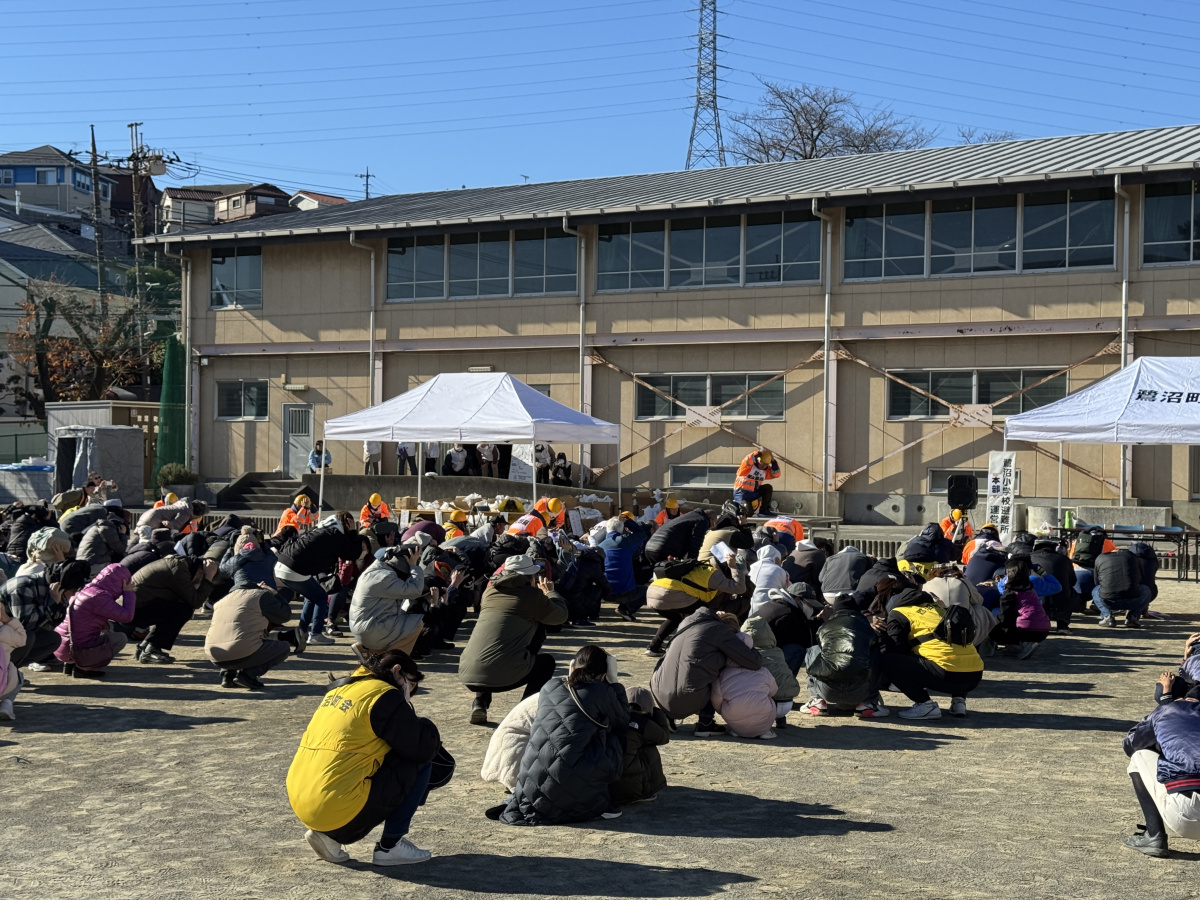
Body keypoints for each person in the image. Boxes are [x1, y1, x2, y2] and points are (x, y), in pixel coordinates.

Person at [287, 649, 447, 866]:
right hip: (339, 807)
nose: (408, 692)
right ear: (397, 671)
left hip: (303, 801)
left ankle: (328, 836)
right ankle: (391, 846)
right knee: (418, 761)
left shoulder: (341, 690)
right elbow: (420, 749)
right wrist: (423, 723)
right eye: (410, 685)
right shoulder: (384, 695)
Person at [494, 645, 628, 825]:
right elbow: (623, 721)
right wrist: (615, 682)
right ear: (604, 674)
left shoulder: (550, 686)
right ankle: (599, 794)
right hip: (576, 785)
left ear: (573, 666)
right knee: (614, 738)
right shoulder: (603, 691)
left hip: (532, 786)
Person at [458, 554, 568, 725]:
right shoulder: (531, 596)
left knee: (494, 642)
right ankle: (522, 715)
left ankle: (480, 702)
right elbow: (560, 616)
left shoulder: (490, 591)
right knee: (546, 663)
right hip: (504, 675)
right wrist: (551, 593)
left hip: (468, 673)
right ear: (529, 577)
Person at [650, 605, 764, 736]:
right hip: (688, 695)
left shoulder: (688, 623)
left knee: (683, 665)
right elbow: (753, 662)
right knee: (715, 672)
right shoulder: (720, 631)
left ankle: (667, 717)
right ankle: (705, 722)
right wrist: (748, 644)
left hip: (658, 690)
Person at [880, 589, 984, 719]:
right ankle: (959, 702)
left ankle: (925, 705)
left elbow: (895, 647)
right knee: (954, 653)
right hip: (975, 676)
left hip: (946, 675)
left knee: (888, 661)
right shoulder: (942, 609)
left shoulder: (899, 613)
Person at [1121, 690, 1200, 858]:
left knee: (1139, 755)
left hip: (1187, 815)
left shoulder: (1166, 711)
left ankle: (1154, 835)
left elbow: (1131, 744)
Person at [275, 512, 366, 645]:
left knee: (312, 596)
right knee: (321, 597)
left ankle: (302, 631)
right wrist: (353, 533)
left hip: (283, 564)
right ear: (346, 524)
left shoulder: (322, 528)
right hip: (294, 569)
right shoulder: (334, 534)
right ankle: (315, 635)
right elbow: (352, 553)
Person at [802, 593, 886, 718]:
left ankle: (817, 700)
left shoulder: (825, 627)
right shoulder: (866, 627)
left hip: (827, 690)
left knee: (814, 650)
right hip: (859, 691)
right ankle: (867, 704)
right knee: (874, 653)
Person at [643, 555, 746, 657]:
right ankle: (693, 650)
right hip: (672, 592)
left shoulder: (700, 565)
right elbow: (739, 588)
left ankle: (653, 647)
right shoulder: (713, 573)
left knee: (675, 619)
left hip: (653, 592)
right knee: (705, 618)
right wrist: (733, 567)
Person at [129, 552, 219, 664]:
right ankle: (151, 649)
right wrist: (208, 577)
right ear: (200, 571)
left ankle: (147, 646)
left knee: (177, 608)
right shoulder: (178, 570)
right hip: (130, 612)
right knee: (183, 610)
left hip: (133, 607)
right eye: (202, 578)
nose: (199, 583)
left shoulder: (179, 564)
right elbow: (195, 602)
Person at [205, 584, 296, 689]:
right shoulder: (260, 595)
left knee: (232, 635)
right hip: (240, 651)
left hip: (214, 655)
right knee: (283, 648)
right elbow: (285, 615)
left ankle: (228, 677)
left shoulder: (222, 601)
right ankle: (247, 676)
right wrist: (275, 594)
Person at [53, 563, 135, 678]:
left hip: (62, 646)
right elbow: (127, 617)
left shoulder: (87, 589)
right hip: (75, 649)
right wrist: (129, 593)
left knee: (103, 627)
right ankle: (85, 668)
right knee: (120, 638)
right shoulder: (99, 597)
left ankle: (70, 665)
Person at [349, 543, 426, 657]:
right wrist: (414, 567)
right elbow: (415, 591)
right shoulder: (385, 578)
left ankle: (369, 650)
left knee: (404, 618)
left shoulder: (376, 570)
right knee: (416, 623)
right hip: (371, 628)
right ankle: (392, 660)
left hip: (365, 626)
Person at [711, 628, 780, 740]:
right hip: (763, 721)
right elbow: (774, 691)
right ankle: (764, 729)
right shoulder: (763, 671)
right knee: (769, 697)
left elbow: (716, 703)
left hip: (735, 721)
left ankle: (739, 729)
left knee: (725, 700)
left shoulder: (722, 674)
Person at [611, 685, 670, 805]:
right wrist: (658, 713)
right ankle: (644, 791)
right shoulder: (644, 723)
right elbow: (664, 737)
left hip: (608, 785)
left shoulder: (615, 718)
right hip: (631, 789)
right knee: (649, 746)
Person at [741, 616, 800, 727]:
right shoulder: (777, 651)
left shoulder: (751, 655)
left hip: (769, 705)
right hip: (788, 702)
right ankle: (781, 719)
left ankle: (762, 722)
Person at [993, 557, 1057, 659]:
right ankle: (1016, 645)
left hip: (1027, 630)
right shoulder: (1031, 590)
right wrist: (1043, 573)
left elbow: (1004, 617)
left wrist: (990, 625)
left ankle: (1022, 644)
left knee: (996, 628)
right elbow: (1057, 586)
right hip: (1044, 629)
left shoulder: (1009, 594)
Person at [599, 516, 648, 622]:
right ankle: (625, 609)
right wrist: (628, 522)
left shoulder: (600, 546)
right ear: (622, 529)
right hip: (625, 592)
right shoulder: (625, 541)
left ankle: (594, 612)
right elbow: (642, 533)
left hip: (604, 593)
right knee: (647, 591)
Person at [1094, 547, 1152, 628]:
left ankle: (1107, 616)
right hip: (1133, 600)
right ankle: (1133, 617)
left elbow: (1097, 582)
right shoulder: (1133, 557)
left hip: (1109, 601)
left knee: (1095, 590)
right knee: (1146, 590)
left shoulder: (1100, 558)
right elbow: (1141, 578)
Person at [644, 507, 713, 566]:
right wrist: (692, 563)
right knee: (674, 577)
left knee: (661, 575)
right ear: (711, 520)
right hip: (664, 550)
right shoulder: (702, 520)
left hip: (649, 548)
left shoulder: (689, 517)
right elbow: (695, 543)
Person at [732, 449, 780, 515]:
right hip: (741, 494)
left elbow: (776, 474)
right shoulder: (747, 467)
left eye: (766, 464)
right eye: (762, 463)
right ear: (758, 460)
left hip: (754, 493)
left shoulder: (765, 471)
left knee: (768, 487)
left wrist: (773, 461)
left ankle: (764, 510)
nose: (763, 466)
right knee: (748, 512)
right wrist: (759, 453)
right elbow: (747, 460)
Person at [0, 599, 25, 720]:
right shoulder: (4, 631)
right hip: (2, 687)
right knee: (17, 674)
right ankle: (7, 703)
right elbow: (23, 638)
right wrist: (6, 618)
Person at [748, 544, 790, 615]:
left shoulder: (751, 567)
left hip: (750, 609)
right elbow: (787, 590)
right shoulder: (779, 570)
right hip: (769, 610)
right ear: (777, 559)